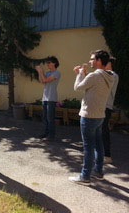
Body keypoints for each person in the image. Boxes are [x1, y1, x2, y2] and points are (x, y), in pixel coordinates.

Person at [69, 50, 114, 185]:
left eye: (92, 59)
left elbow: (77, 87)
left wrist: (81, 73)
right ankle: (98, 172)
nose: (89, 61)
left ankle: (85, 177)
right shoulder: (109, 76)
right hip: (100, 115)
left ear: (99, 61)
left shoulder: (95, 76)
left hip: (89, 115)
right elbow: (93, 84)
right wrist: (84, 74)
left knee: (88, 147)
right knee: (98, 145)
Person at [35, 56, 61, 141]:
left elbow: (45, 80)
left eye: (49, 63)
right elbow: (42, 81)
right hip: (45, 98)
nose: (47, 64)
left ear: (54, 63)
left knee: (50, 118)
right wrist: (39, 72)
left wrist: (41, 71)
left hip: (51, 98)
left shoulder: (57, 73)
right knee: (45, 117)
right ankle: (45, 133)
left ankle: (51, 135)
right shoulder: (48, 73)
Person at [102, 57, 119, 164]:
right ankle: (102, 154)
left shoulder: (112, 75)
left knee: (103, 130)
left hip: (105, 106)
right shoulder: (105, 74)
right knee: (100, 130)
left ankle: (107, 155)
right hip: (102, 106)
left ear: (109, 63)